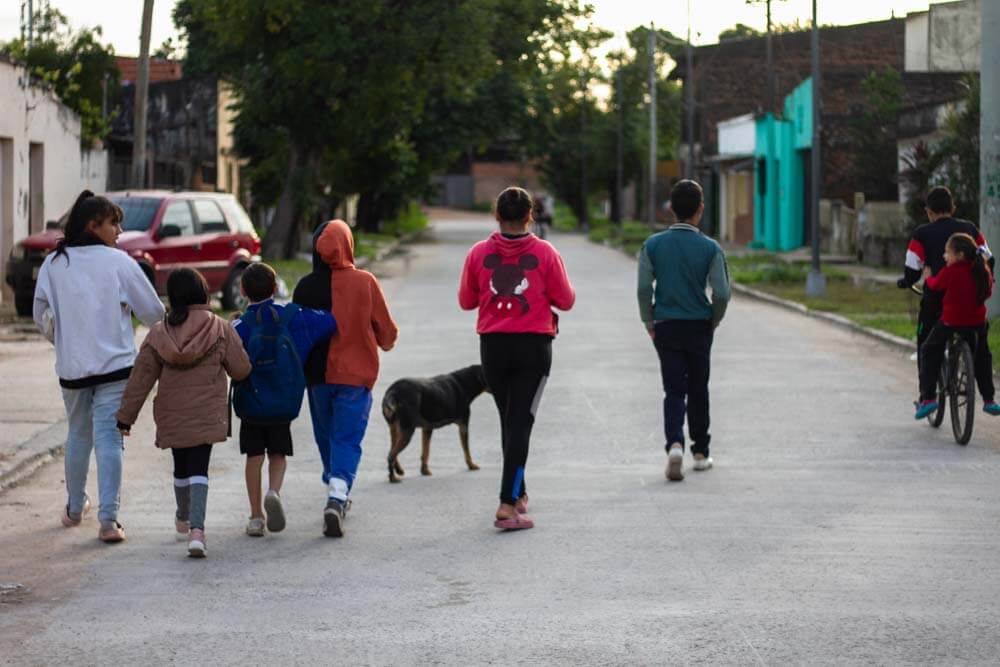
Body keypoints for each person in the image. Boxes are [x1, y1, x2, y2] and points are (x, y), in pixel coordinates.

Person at [33, 190, 165, 543]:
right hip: (115, 369)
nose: (120, 231)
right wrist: (129, 320)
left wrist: (62, 338)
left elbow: (40, 313)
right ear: (93, 226)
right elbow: (154, 313)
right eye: (114, 223)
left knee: (78, 436)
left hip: (72, 370)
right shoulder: (120, 263)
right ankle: (108, 520)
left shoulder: (53, 264)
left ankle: (75, 508)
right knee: (110, 441)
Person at [458, 186, 575, 531]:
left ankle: (518, 493)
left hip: (493, 347)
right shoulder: (545, 253)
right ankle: (507, 503)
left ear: (497, 215)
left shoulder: (479, 253)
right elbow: (565, 301)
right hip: (533, 347)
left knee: (510, 421)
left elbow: (466, 301)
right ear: (529, 216)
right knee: (520, 423)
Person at [116, 268, 251, 557]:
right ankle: (197, 532)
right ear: (202, 292)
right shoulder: (220, 328)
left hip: (172, 413)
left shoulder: (159, 333)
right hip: (206, 413)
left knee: (180, 465)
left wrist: (125, 417)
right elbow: (241, 369)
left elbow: (141, 379)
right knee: (200, 468)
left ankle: (182, 514)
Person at [292, 220, 398, 538]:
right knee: (347, 438)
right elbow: (387, 335)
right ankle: (337, 494)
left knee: (326, 437)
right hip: (355, 375)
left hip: (317, 377)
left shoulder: (305, 286)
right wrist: (385, 339)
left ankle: (336, 484)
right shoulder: (365, 282)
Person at [232, 263, 336, 537]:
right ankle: (274, 491)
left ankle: (256, 516)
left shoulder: (239, 326)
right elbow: (329, 322)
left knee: (254, 456)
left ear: (242, 290)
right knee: (278, 453)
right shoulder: (294, 315)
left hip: (252, 404)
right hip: (283, 402)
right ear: (276, 287)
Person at [637, 179, 730, 482]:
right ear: (700, 209)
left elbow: (642, 289)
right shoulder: (710, 248)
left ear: (671, 209)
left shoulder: (652, 245)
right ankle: (701, 453)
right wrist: (714, 319)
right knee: (698, 387)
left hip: (665, 325)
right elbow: (722, 292)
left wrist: (649, 321)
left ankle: (674, 444)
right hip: (699, 326)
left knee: (673, 388)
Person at [899, 186, 999, 415]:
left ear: (928, 211)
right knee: (981, 348)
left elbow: (912, 271)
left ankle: (927, 397)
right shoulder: (970, 230)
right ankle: (988, 398)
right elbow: (988, 258)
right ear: (953, 208)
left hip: (937, 304)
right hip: (972, 305)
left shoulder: (921, 234)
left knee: (927, 345)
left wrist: (908, 281)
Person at [915, 233, 994, 418]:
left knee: (928, 349)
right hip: (977, 323)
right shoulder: (983, 270)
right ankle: (989, 399)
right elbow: (988, 292)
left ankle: (927, 399)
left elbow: (935, 286)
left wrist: (927, 278)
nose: (944, 257)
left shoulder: (951, 271)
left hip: (951, 322)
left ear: (958, 256)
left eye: (947, 253)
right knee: (982, 355)